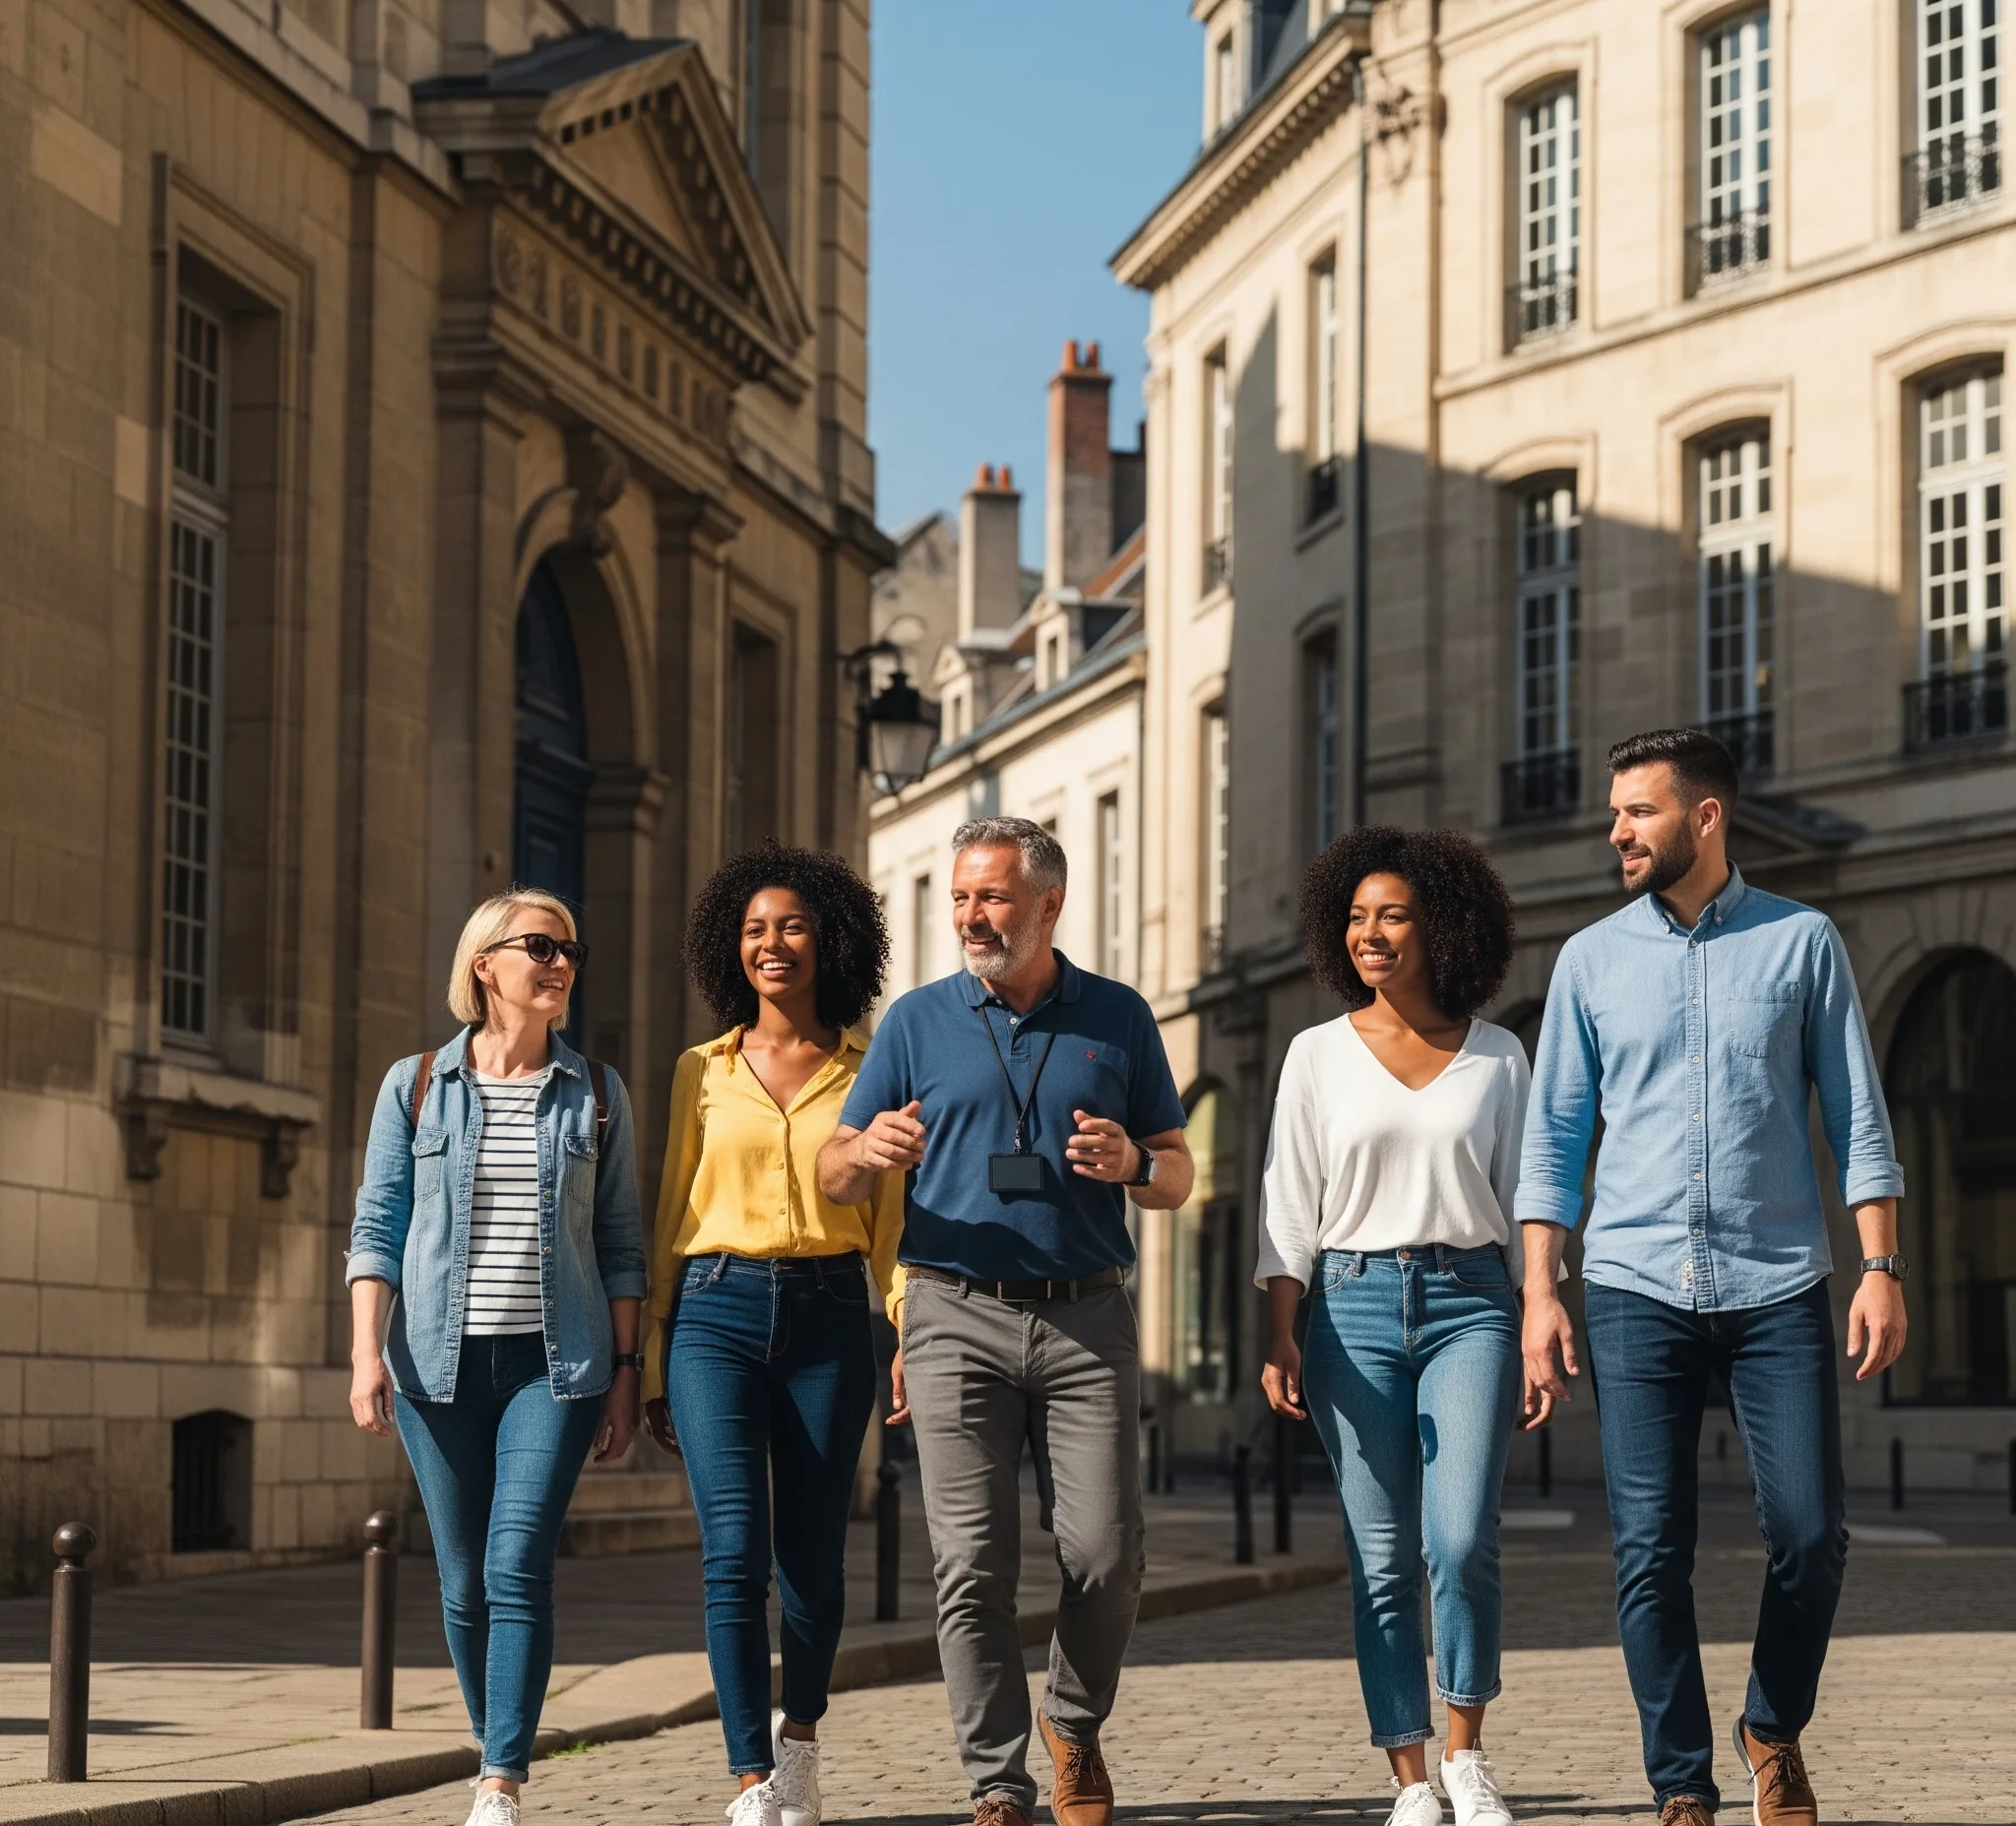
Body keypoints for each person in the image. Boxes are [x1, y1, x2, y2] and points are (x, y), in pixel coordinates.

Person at [1518, 728, 1908, 1826]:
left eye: (1638, 811)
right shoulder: (1588, 960)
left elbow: (1858, 1118)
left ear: (1704, 816)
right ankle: (1680, 1780)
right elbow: (1553, 1142)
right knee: (1650, 1549)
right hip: (1633, 1283)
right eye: (1614, 812)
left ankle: (1770, 1725)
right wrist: (1540, 1290)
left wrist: (1879, 1266)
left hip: (1777, 1278)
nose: (1617, 831)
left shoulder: (1801, 941)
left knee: (1810, 1533)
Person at [816, 816, 1194, 1826]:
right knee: (970, 1565)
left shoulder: (1118, 1016)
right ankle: (997, 1781)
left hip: (1087, 1317)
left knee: (1107, 1553)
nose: (969, 916)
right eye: (959, 897)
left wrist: (1136, 1164)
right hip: (952, 1313)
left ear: (1048, 904)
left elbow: (1177, 1172)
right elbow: (833, 1168)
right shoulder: (914, 1022)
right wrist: (867, 1150)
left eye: (990, 896)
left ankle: (1072, 1719)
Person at [346, 889, 647, 1826]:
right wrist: (364, 1353)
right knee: (464, 1580)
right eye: (540, 947)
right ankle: (496, 1743)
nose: (560, 963)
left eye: (570, 950)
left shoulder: (598, 1092)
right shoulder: (416, 1084)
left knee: (517, 1562)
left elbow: (622, 1242)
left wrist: (627, 1374)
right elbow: (378, 1224)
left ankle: (500, 1781)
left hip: (552, 1368)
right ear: (485, 964)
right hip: (434, 1366)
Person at [1257, 827, 1532, 1826]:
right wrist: (1281, 1328)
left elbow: (1526, 1207)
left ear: (1442, 926)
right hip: (1351, 1306)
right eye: (1356, 916)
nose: (1369, 932)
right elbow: (1288, 1202)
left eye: (1393, 915)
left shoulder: (1499, 1056)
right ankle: (1409, 1776)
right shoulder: (1315, 1054)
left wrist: (1541, 1321)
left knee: (1458, 1540)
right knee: (1380, 1560)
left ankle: (1465, 1755)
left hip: (1472, 1303)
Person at [640, 843, 903, 1826]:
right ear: (731, 947)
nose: (771, 943)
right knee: (732, 1551)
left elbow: (893, 1228)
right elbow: (672, 1211)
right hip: (714, 1310)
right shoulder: (699, 1070)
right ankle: (749, 1776)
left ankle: (801, 1740)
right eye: (754, 929)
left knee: (813, 1561)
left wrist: (907, 1332)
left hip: (831, 1315)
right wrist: (653, 1357)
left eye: (791, 925)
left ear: (829, 940)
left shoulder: (872, 1069)